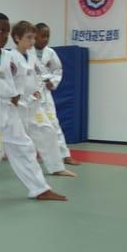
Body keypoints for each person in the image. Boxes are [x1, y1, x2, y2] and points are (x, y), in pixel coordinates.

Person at [0, 12, 67, 202]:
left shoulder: (12, 57)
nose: (4, 35)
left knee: (23, 147)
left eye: (6, 32)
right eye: (0, 31)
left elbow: (22, 76)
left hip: (8, 109)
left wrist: (18, 93)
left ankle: (40, 188)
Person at [10, 21, 76, 177]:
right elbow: (4, 78)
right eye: (29, 38)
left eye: (33, 38)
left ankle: (57, 167)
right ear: (17, 38)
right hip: (15, 104)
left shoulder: (31, 56)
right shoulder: (10, 57)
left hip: (33, 103)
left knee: (48, 130)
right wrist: (12, 94)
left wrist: (37, 90)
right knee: (2, 136)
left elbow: (36, 75)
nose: (32, 42)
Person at [34, 23, 80, 165]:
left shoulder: (50, 52)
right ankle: (6, 152)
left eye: (47, 36)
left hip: (45, 93)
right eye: (42, 36)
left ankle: (64, 154)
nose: (45, 39)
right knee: (26, 125)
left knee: (53, 123)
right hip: (30, 95)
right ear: (34, 36)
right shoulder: (26, 52)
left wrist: (52, 82)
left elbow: (57, 70)